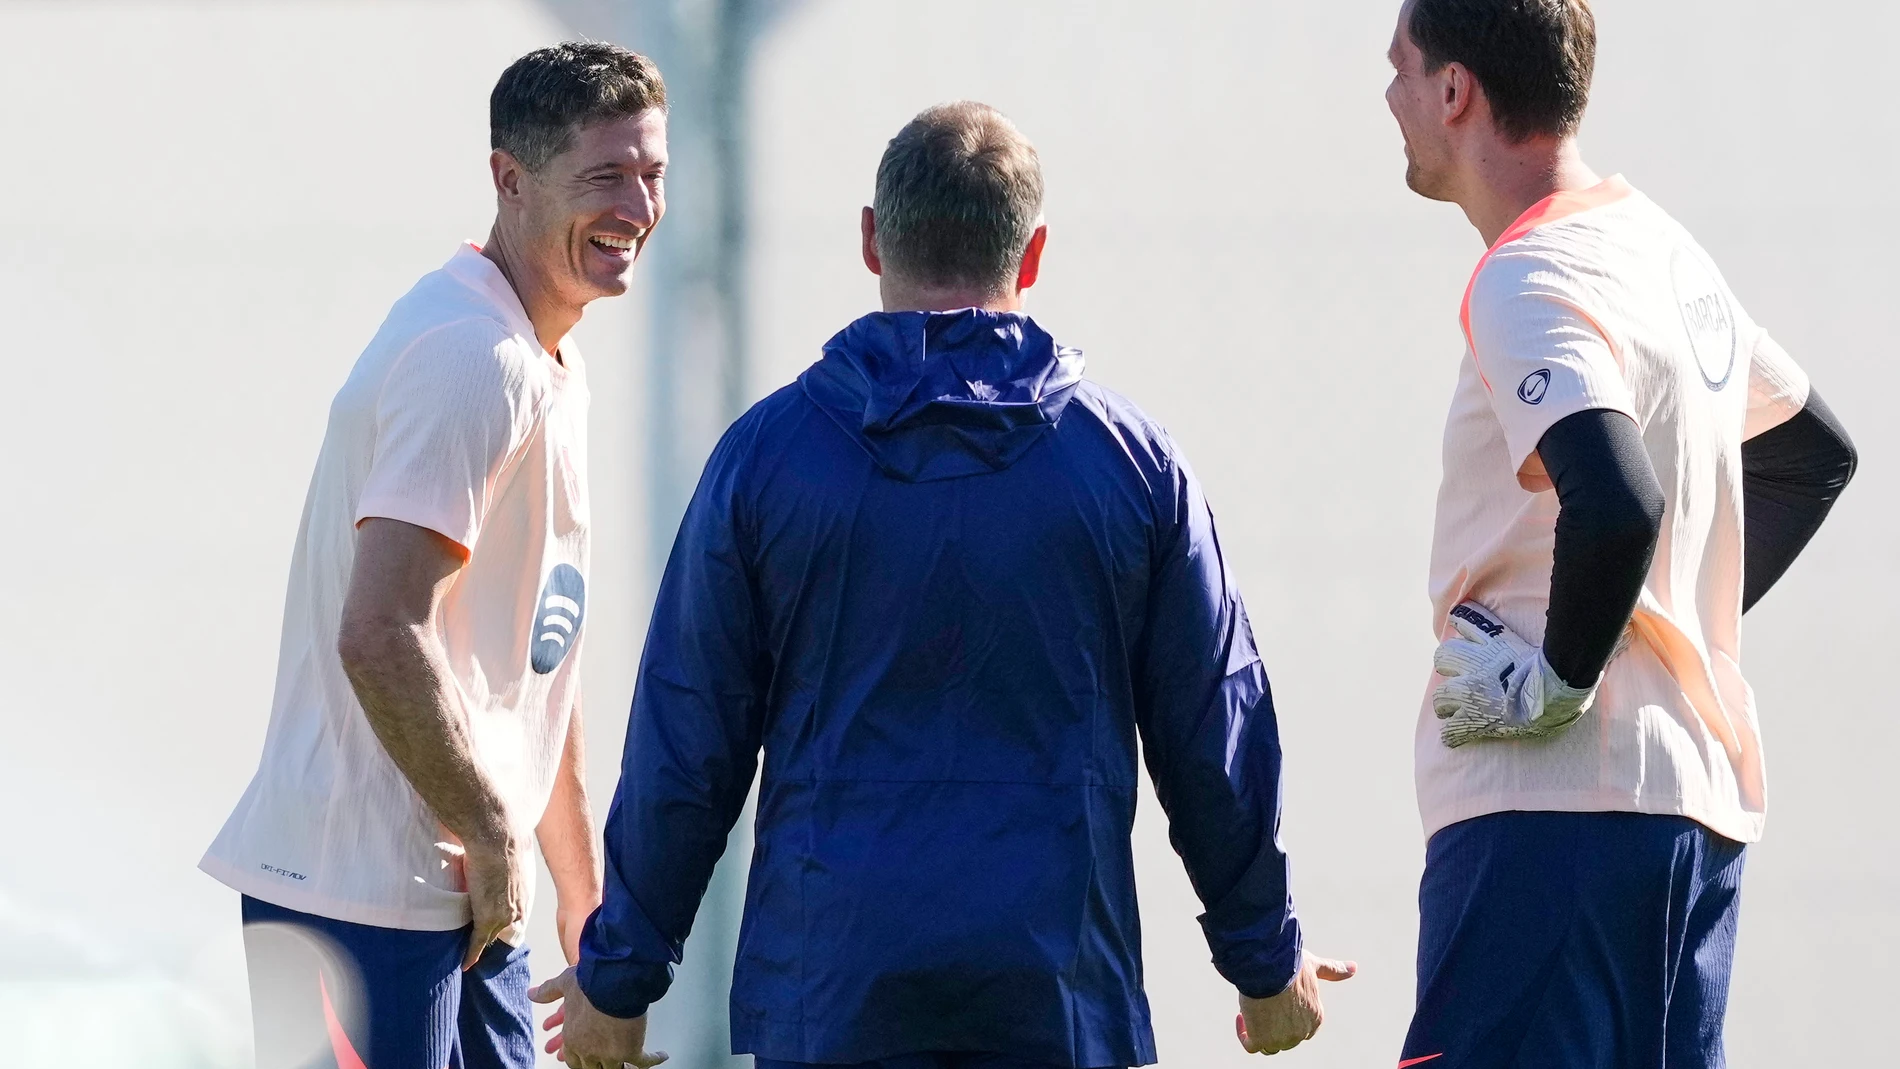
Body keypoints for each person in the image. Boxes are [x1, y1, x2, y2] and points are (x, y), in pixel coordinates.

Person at [527, 102, 1353, 1069]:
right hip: (1057, 999)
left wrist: (621, 978)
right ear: (1033, 253)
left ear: (873, 240)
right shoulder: (1131, 465)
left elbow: (687, 739)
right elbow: (1214, 726)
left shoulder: (767, 458)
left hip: (830, 994)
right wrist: (1264, 957)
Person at [1382, 1, 1857, 1066]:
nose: (1390, 99)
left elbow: (1617, 500)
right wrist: (1659, 620)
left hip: (1549, 818)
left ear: (1456, 92)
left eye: (1402, 71)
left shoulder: (1527, 270)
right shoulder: (1663, 251)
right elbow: (1810, 454)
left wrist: (1557, 675)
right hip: (1693, 821)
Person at [198, 42, 668, 1069]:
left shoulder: (547, 357)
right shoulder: (473, 358)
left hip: (463, 896)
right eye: (605, 177)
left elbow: (538, 655)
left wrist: (589, 920)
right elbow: (378, 631)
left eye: (651, 173)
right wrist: (496, 836)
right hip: (347, 896)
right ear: (509, 179)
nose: (637, 206)